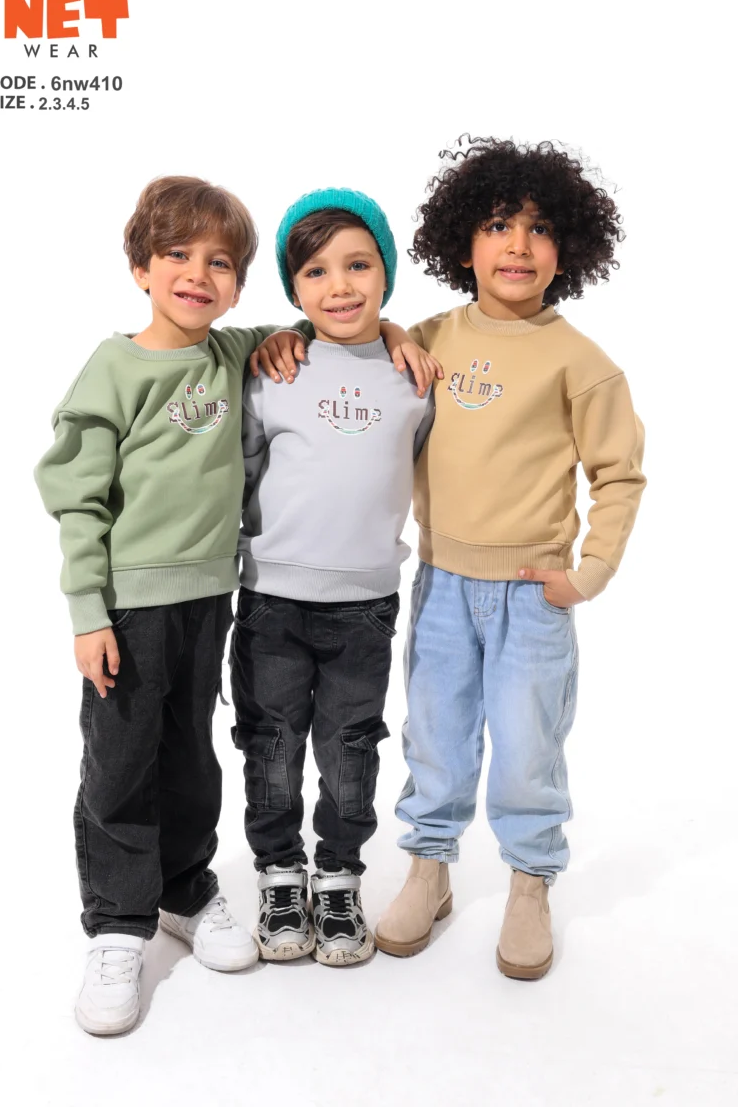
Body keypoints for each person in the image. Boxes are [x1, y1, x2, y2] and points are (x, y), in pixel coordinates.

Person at [35, 175, 325, 1035]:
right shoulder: (114, 368)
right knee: (120, 761)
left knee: (191, 751)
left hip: (210, 598)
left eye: (220, 263)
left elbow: (314, 324)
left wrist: (366, 331)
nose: (198, 273)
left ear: (237, 286)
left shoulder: (231, 353)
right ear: (141, 268)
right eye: (177, 255)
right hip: (128, 607)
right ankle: (117, 923)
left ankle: (184, 887)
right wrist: (88, 611)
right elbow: (76, 499)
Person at [372, 137, 647, 979]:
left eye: (539, 229)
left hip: (533, 593)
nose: (518, 245)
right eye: (497, 225)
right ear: (463, 244)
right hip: (441, 584)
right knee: (436, 734)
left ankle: (530, 882)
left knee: (529, 745)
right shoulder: (426, 338)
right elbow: (358, 347)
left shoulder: (580, 363)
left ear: (568, 250)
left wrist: (588, 574)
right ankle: (429, 869)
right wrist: (387, 329)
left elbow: (619, 473)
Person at [230, 189, 435, 966]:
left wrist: (398, 335)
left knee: (351, 748)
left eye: (359, 266)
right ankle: (281, 875)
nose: (339, 286)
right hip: (271, 601)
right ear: (293, 288)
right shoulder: (271, 367)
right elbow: (242, 473)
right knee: (271, 744)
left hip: (363, 607)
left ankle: (340, 877)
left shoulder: (415, 376)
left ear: (387, 274)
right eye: (315, 272)